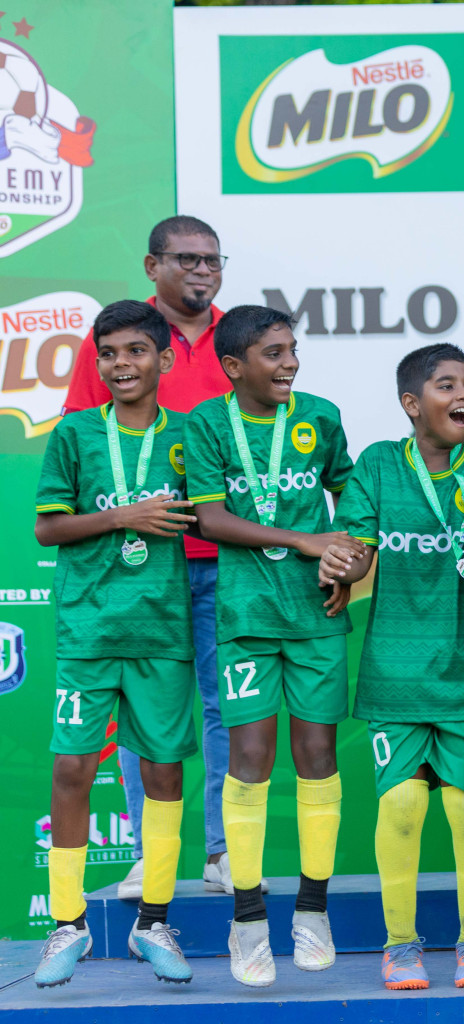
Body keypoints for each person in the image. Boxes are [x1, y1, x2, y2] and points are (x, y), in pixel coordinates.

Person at [317, 344, 464, 990]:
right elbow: (360, 550)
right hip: (395, 669)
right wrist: (343, 563)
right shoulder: (375, 464)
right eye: (447, 384)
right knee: (400, 805)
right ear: (411, 404)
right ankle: (401, 943)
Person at [62, 216, 240, 900]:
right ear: (152, 264)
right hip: (144, 562)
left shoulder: (240, 335)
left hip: (228, 555)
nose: (203, 270)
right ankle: (149, 856)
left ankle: (226, 850)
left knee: (228, 705)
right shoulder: (115, 341)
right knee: (145, 711)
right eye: (188, 258)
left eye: (214, 260)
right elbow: (86, 436)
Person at [184, 305, 359, 987]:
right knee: (251, 756)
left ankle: (313, 908)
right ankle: (248, 915)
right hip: (248, 616)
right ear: (234, 366)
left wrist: (348, 560)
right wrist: (304, 540)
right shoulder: (204, 423)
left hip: (315, 615)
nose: (290, 363)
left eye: (293, 350)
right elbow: (211, 518)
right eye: (274, 353)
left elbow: (352, 498)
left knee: (316, 754)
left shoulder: (320, 414)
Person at [34, 301, 200, 988]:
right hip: (89, 629)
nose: (121, 364)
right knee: (73, 768)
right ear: (96, 363)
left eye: (136, 351)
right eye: (109, 354)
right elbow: (48, 530)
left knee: (162, 773)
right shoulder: (74, 432)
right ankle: (66, 923)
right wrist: (123, 516)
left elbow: (213, 516)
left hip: (162, 629)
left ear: (164, 360)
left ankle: (153, 922)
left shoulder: (191, 436)